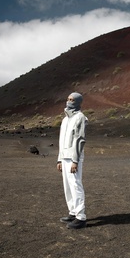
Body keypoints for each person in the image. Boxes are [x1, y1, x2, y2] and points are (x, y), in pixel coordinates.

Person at [57, 92, 88, 229]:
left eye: (72, 100)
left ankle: (81, 217)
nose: (69, 101)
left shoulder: (80, 117)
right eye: (68, 99)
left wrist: (75, 160)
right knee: (67, 186)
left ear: (78, 102)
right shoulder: (65, 120)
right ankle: (73, 212)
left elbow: (80, 140)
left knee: (75, 185)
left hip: (74, 157)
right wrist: (59, 159)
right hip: (65, 156)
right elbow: (61, 140)